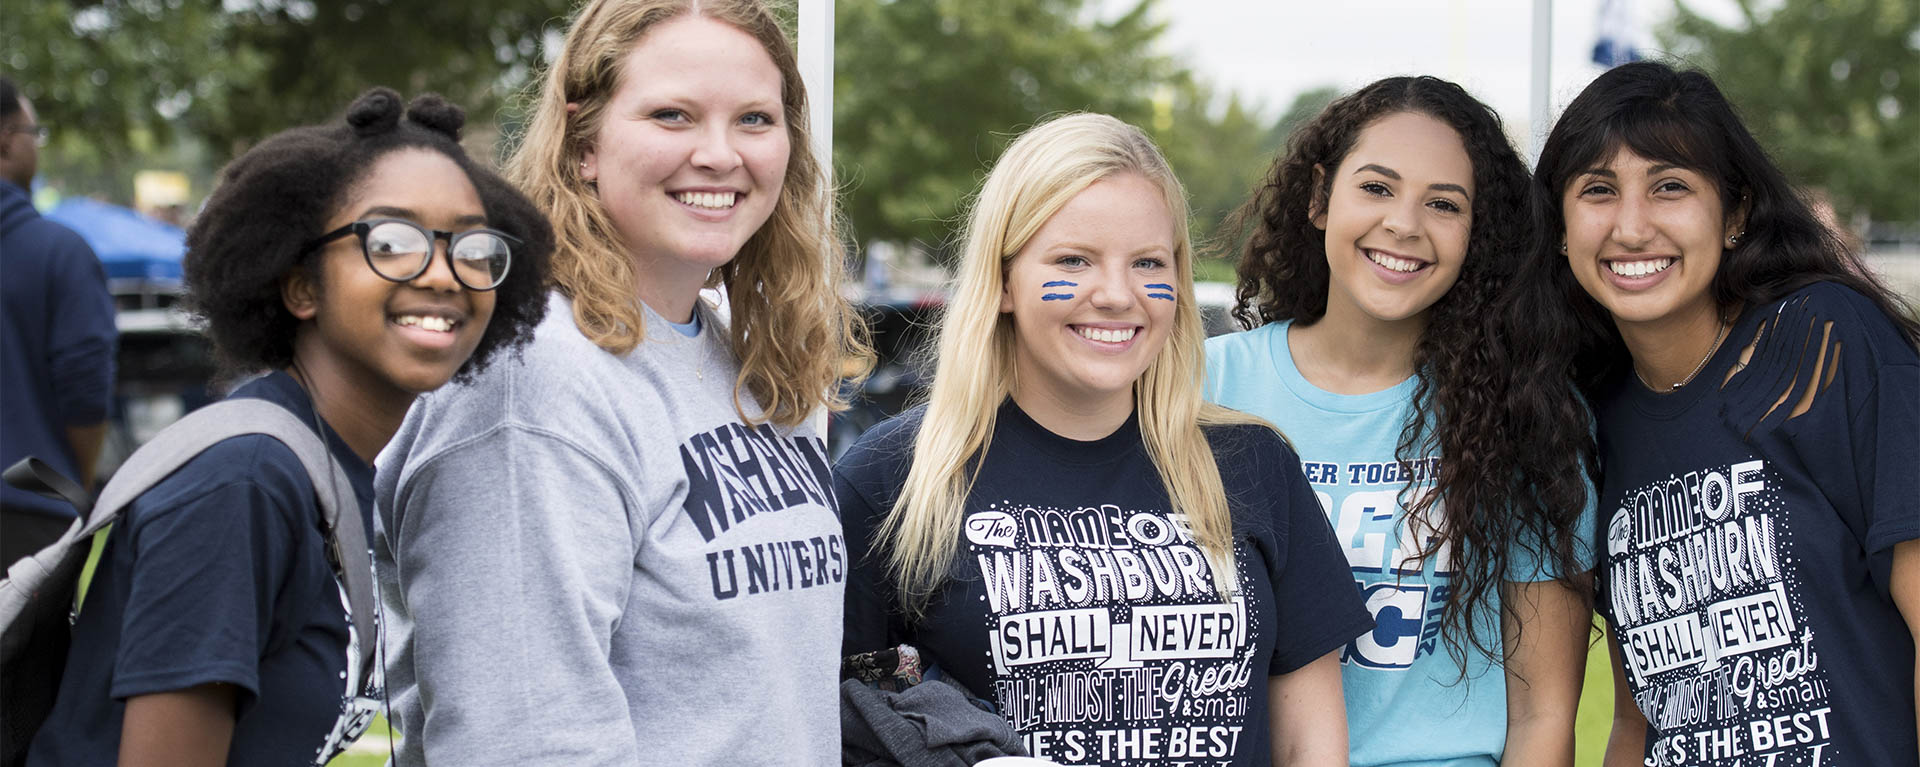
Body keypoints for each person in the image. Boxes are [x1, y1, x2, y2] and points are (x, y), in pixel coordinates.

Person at [370, 0, 871, 763]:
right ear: (584, 145)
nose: (718, 153)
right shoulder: (529, 376)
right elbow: (524, 740)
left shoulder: (751, 358)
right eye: (672, 115)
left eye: (755, 119)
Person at [25, 88, 552, 765]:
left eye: (474, 248)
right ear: (301, 285)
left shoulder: (330, 467)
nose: (445, 273)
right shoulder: (241, 484)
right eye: (392, 241)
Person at [838, 113, 1372, 767]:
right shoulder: (892, 477)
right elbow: (843, 726)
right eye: (1073, 260)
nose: (1118, 294)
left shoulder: (1254, 462)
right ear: (1004, 280)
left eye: (1148, 261)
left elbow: (1309, 740)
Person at [1526, 61, 1920, 767]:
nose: (1632, 225)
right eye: (1598, 190)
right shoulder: (1586, 424)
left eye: (1670, 186)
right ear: (1559, 226)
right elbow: (1637, 720)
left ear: (1735, 214)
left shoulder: (1824, 343)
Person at [1204, 76, 1598, 766]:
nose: (1404, 224)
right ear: (1321, 198)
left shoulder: (1525, 413)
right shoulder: (1203, 386)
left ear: (1478, 234)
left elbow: (1543, 717)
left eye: (1443, 204)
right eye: (1377, 188)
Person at [0, 75, 117, 567]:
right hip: (27, 519)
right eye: (35, 133)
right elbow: (85, 393)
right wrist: (73, 485)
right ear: (7, 138)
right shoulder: (59, 253)